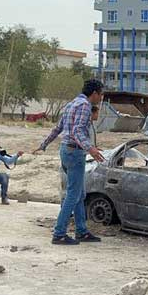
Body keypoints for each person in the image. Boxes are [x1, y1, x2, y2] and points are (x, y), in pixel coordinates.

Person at [33, 79, 106, 245]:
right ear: (94, 93)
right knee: (73, 194)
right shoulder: (85, 106)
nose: (101, 98)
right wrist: (91, 148)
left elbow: (58, 128)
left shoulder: (71, 104)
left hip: (66, 150)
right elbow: (77, 130)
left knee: (79, 193)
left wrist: (44, 145)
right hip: (75, 152)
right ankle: (59, 233)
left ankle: (82, 231)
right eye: (101, 95)